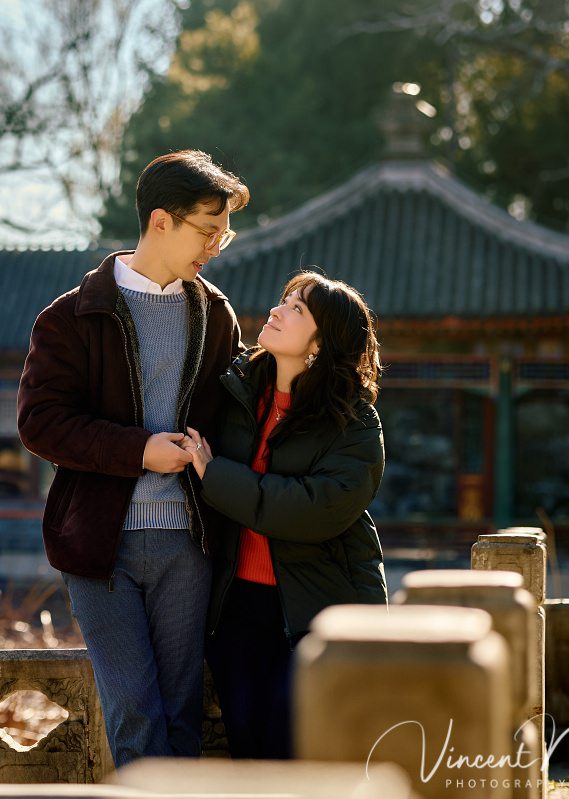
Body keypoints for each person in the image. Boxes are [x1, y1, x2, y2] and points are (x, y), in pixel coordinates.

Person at [17, 149, 249, 766]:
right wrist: (138, 450)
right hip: (100, 547)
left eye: (223, 232)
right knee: (134, 711)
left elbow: (239, 413)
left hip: (190, 543)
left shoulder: (215, 313)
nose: (216, 246)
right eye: (207, 229)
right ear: (161, 222)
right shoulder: (70, 317)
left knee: (180, 709)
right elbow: (40, 423)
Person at [181, 271, 388, 760]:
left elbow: (316, 509)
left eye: (298, 308)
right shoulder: (235, 395)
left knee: (297, 750)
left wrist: (218, 477)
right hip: (235, 607)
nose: (278, 309)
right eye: (285, 300)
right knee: (249, 749)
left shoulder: (353, 420)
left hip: (318, 608)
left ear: (322, 341)